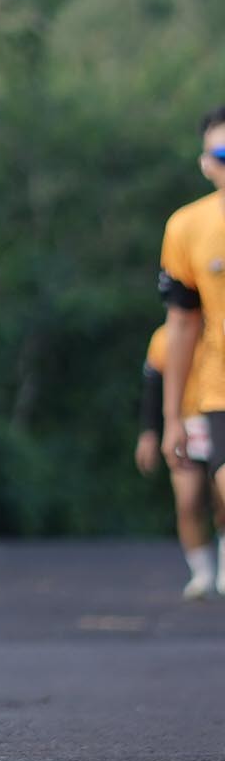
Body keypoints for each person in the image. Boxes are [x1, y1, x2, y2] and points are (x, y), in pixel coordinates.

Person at [156, 105, 225, 597]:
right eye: (222, 155)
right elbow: (181, 325)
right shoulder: (187, 227)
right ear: (205, 164)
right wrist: (170, 418)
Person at [136, 321, 222, 597]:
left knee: (221, 499)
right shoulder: (164, 338)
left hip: (219, 417)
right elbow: (153, 386)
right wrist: (149, 433)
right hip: (186, 424)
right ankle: (201, 572)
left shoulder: (217, 331)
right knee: (188, 501)